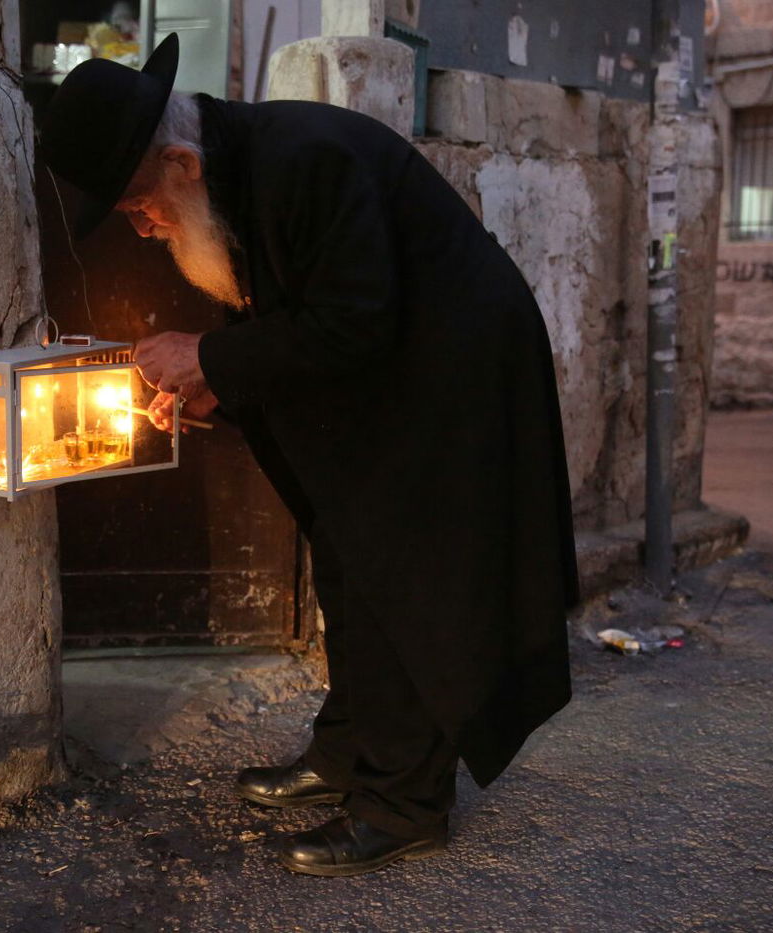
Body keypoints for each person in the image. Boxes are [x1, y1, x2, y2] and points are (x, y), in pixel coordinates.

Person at [39, 33, 580, 877]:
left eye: (140, 206)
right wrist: (224, 381)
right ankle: (345, 753)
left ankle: (403, 805)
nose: (143, 230)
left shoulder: (307, 159)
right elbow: (292, 304)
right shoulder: (240, 167)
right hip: (397, 368)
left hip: (455, 375)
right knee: (343, 557)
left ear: (180, 163)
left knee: (397, 575)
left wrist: (209, 360)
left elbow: (354, 318)